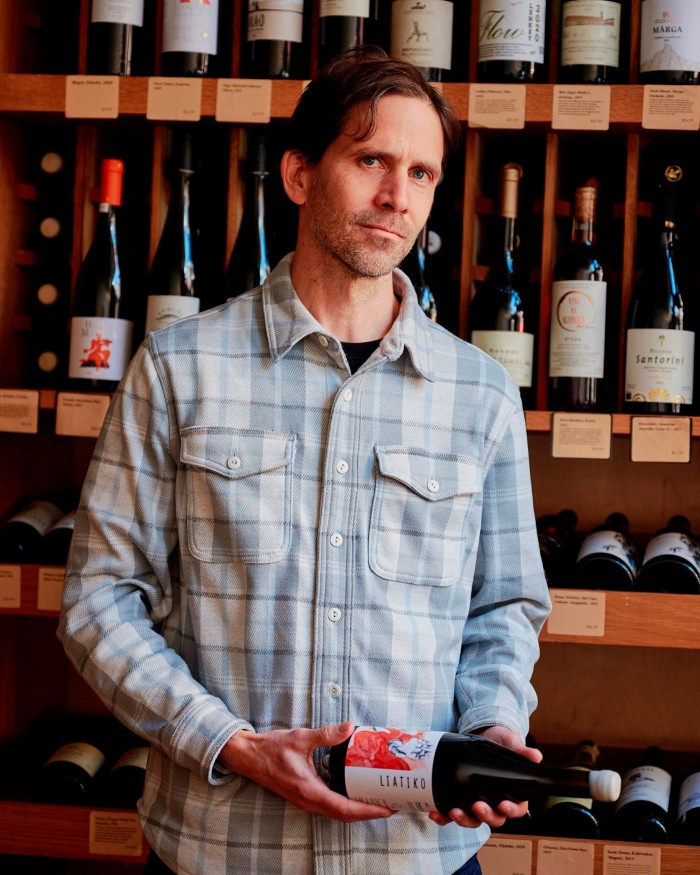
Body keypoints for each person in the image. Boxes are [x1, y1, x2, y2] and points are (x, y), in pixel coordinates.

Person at [59, 46, 551, 875]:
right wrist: (235, 744)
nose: (398, 197)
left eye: (423, 174)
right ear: (297, 173)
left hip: (415, 856)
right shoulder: (179, 369)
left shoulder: (482, 394)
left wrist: (494, 722)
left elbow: (504, 607)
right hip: (221, 851)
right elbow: (99, 600)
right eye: (371, 161)